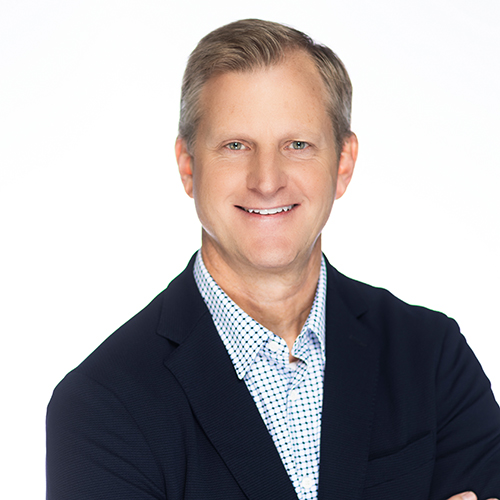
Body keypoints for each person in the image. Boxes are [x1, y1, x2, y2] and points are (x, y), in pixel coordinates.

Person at [46, 19, 500, 500]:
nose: (267, 180)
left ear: (343, 163)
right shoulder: (102, 407)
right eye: (235, 146)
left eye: (297, 145)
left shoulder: (430, 357)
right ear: (188, 165)